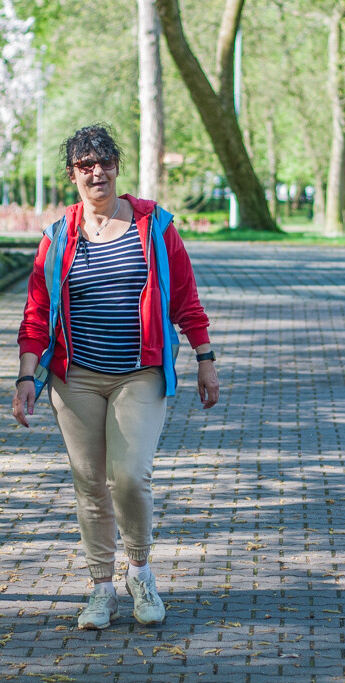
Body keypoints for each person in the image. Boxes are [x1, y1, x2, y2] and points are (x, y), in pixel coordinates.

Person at [12, 125, 219, 630]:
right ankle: (101, 586)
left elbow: (186, 298)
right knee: (89, 483)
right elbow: (37, 311)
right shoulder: (59, 235)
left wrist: (205, 356)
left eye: (104, 161)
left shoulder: (155, 226)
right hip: (75, 377)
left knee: (128, 476)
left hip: (140, 372)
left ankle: (141, 572)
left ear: (117, 166)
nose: (96, 171)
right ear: (72, 174)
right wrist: (25, 376)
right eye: (85, 165)